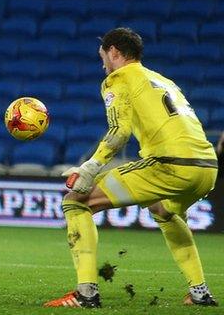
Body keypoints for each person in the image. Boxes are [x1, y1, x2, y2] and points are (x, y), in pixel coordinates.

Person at [43, 28, 219, 308]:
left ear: (113, 51)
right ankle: (199, 292)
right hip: (207, 166)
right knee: (163, 211)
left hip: (170, 164)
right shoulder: (163, 80)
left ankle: (86, 293)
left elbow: (118, 132)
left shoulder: (118, 78)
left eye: (103, 55)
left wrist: (90, 168)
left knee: (76, 201)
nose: (102, 62)